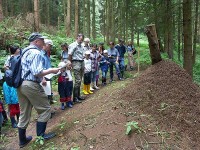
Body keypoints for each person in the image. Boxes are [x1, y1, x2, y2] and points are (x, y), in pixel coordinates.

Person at [17, 32, 60, 148]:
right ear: (36, 41)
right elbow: (37, 72)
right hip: (31, 84)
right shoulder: (35, 53)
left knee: (24, 112)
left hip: (21, 85)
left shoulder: (24, 52)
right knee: (45, 109)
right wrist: (52, 70)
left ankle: (22, 140)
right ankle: (41, 136)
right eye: (42, 41)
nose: (44, 43)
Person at [3, 45, 21, 128]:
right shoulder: (10, 58)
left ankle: (19, 120)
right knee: (11, 104)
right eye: (18, 49)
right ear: (15, 50)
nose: (19, 50)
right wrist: (10, 72)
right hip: (10, 82)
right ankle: (13, 122)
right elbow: (5, 67)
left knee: (18, 103)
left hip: (17, 82)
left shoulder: (20, 57)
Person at [68, 34, 85, 103]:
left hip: (81, 62)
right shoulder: (73, 45)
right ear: (77, 38)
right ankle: (75, 98)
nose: (81, 40)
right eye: (81, 39)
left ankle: (78, 96)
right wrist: (70, 63)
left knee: (80, 80)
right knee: (77, 80)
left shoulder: (81, 45)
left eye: (82, 39)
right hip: (76, 63)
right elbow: (70, 54)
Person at [41, 39, 56, 104]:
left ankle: (49, 106)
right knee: (45, 94)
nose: (50, 48)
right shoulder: (40, 54)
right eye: (50, 46)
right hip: (44, 76)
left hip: (49, 75)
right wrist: (43, 78)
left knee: (48, 92)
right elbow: (40, 68)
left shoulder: (46, 54)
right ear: (45, 45)